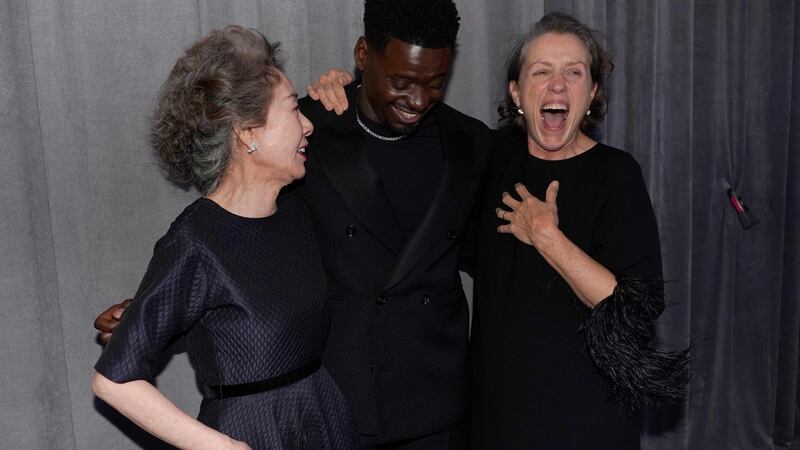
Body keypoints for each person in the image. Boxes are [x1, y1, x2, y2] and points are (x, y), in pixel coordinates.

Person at [94, 1, 491, 448]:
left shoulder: (469, 145)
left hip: (383, 412)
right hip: (296, 418)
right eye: (401, 81)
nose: (418, 99)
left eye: (435, 83)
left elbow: (259, 283)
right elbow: (232, 241)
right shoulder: (209, 226)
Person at [91, 25, 358, 449]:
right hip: (252, 432)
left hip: (323, 421)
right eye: (293, 110)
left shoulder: (296, 211)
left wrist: (347, 84)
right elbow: (113, 380)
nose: (308, 125)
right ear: (248, 132)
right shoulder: (195, 241)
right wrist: (220, 447)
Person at [468, 12, 688, 449]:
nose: (557, 85)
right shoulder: (490, 157)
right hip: (496, 416)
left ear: (592, 93)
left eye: (574, 72)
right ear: (516, 92)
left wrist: (549, 237)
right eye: (541, 72)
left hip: (587, 418)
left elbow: (633, 309)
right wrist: (345, 89)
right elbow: (408, 114)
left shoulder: (616, 175)